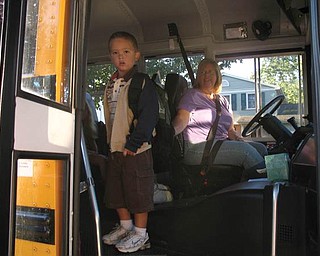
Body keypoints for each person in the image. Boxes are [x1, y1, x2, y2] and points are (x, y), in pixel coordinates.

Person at [102, 31, 158, 253]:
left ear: (136, 55)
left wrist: (133, 144)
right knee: (117, 190)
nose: (120, 57)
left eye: (125, 52)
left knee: (138, 192)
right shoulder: (111, 83)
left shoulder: (141, 83)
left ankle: (141, 234)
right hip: (115, 148)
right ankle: (125, 227)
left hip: (137, 149)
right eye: (115, 53)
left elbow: (148, 117)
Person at [172, 58, 267, 180]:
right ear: (198, 77)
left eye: (210, 72)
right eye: (203, 72)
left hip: (220, 143)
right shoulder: (191, 95)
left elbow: (230, 131)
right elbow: (182, 118)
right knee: (246, 152)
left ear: (217, 75)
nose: (206, 76)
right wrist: (169, 132)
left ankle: (250, 184)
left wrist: (240, 140)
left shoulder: (222, 100)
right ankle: (264, 188)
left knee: (261, 149)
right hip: (197, 148)